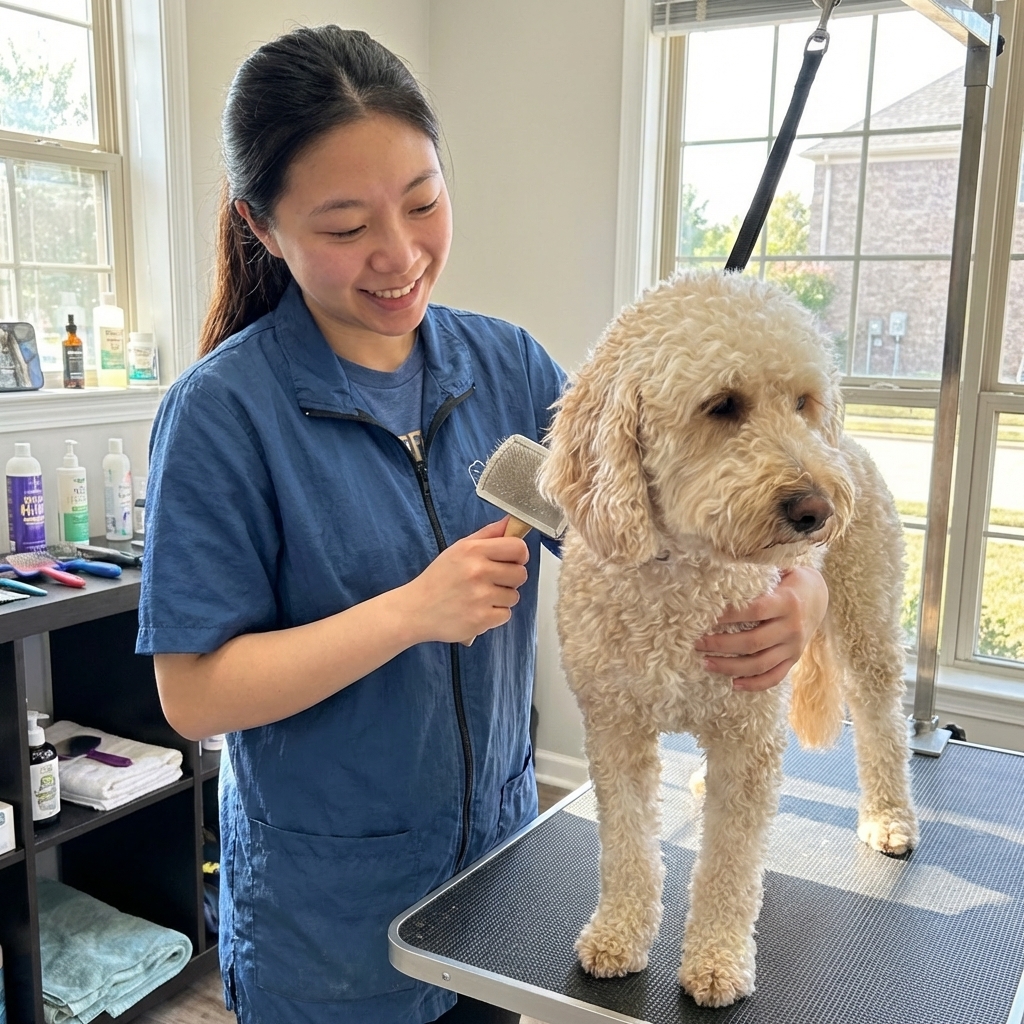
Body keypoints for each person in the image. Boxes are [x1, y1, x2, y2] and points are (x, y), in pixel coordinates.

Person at [137, 25, 829, 1024]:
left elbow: (643, 526)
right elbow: (193, 697)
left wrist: (798, 587)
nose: (399, 252)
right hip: (326, 929)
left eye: (422, 201)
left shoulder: (509, 370)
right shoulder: (221, 416)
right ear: (261, 224)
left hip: (496, 878)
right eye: (343, 226)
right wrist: (409, 613)